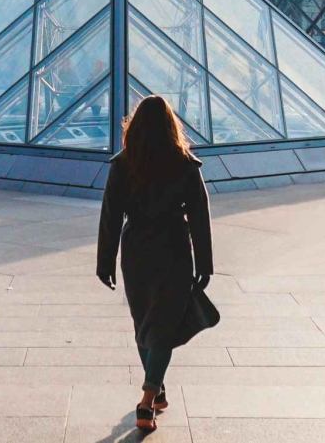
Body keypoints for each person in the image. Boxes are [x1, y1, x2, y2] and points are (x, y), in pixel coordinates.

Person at [97, 95, 218, 432]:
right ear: (170, 125)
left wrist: (105, 262)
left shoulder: (122, 164)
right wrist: (205, 264)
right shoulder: (184, 163)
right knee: (162, 324)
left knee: (144, 324)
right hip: (173, 248)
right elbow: (199, 216)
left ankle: (154, 390)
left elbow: (110, 216)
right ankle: (148, 399)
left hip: (135, 251)